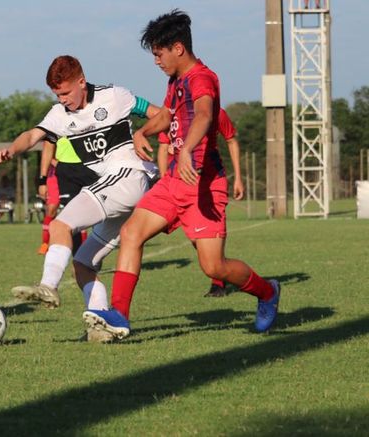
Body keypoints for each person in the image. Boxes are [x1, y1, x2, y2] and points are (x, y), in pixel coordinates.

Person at [83, 10, 280, 340]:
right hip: (174, 181)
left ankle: (268, 292)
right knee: (131, 233)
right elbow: (167, 117)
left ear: (177, 48)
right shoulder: (176, 80)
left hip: (204, 185)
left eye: (158, 54)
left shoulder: (202, 78)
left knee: (214, 268)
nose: (156, 61)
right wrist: (141, 131)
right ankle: (119, 315)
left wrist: (187, 148)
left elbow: (204, 116)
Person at [0, 55, 159, 342]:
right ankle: (102, 325)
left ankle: (47, 286)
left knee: (60, 226)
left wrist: (148, 133)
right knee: (83, 263)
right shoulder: (59, 114)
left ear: (82, 81)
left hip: (129, 177)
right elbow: (32, 136)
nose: (63, 99)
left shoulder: (114, 96)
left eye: (66, 92)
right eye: (57, 94)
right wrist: (11, 149)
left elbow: (160, 113)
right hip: (116, 192)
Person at [158, 107, 244, 297]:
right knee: (195, 239)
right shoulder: (171, 113)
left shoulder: (215, 112)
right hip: (177, 185)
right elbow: (164, 148)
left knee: (204, 237)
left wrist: (238, 177)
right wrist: (165, 180)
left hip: (207, 184)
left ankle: (219, 280)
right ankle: (220, 271)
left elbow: (231, 140)